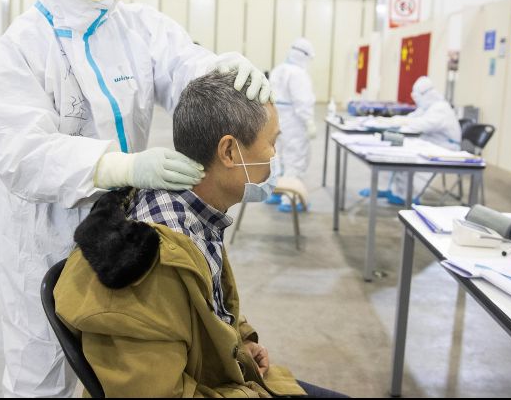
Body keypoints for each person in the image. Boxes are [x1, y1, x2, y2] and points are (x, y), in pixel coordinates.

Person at [0, 0, 273, 397]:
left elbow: (183, 65)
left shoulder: (136, 27)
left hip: (122, 231)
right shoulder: (23, 48)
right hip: (49, 234)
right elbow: (21, 155)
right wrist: (123, 166)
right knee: (39, 380)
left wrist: (219, 68)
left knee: (130, 359)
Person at [55, 70, 346, 398]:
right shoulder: (148, 270)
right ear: (230, 152)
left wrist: (241, 338)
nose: (276, 157)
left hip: (221, 376)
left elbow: (205, 306)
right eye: (272, 143)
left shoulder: (196, 212)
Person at [361, 76, 462, 205]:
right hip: (429, 143)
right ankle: (390, 189)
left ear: (427, 94)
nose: (417, 101)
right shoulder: (427, 107)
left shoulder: (440, 108)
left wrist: (401, 122)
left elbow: (421, 124)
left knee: (406, 156)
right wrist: (391, 120)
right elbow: (412, 117)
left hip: (445, 148)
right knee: (394, 151)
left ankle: (404, 195)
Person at [266, 38, 317, 212]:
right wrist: (309, 121)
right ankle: (291, 200)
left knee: (277, 156)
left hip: (276, 119)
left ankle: (276, 192)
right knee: (295, 158)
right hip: (294, 121)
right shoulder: (298, 74)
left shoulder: (279, 69)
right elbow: (302, 101)